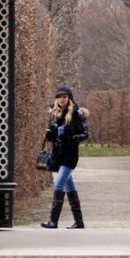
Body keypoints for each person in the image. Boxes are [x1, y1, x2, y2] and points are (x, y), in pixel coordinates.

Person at [41, 86, 89, 229]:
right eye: (59, 96)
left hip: (70, 154)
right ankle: (79, 222)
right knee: (69, 187)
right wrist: (50, 135)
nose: (62, 99)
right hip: (58, 155)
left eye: (64, 96)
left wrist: (71, 137)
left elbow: (85, 134)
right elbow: (52, 135)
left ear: (69, 98)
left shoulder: (76, 114)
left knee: (59, 184)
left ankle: (53, 221)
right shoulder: (53, 114)